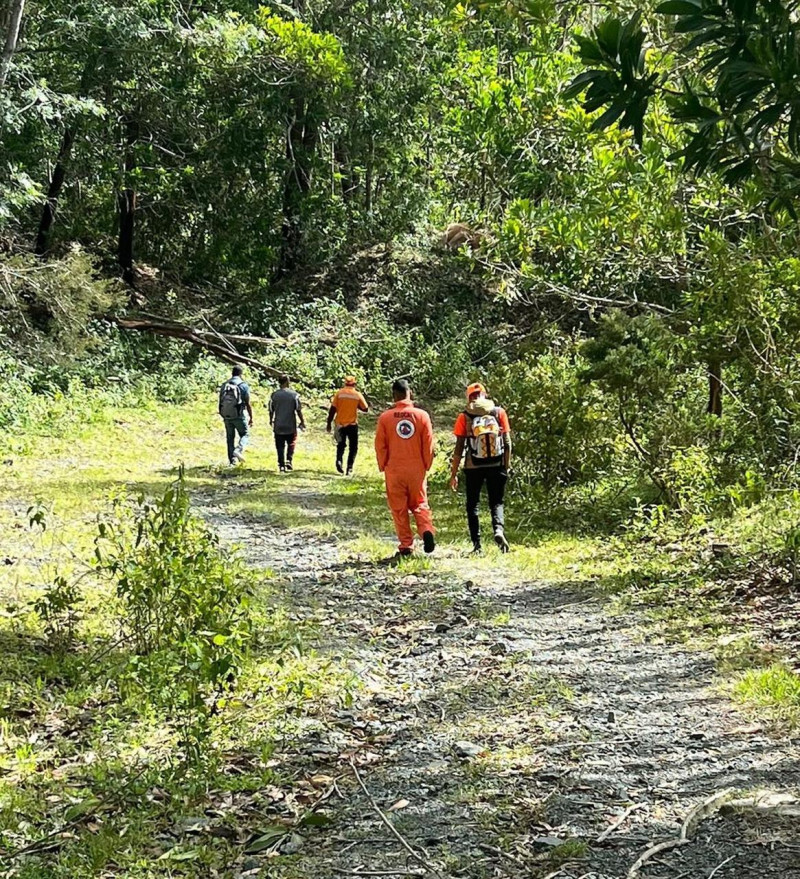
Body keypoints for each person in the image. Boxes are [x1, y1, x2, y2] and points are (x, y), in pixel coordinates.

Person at [374, 379, 436, 559]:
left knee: (399, 508)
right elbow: (428, 443)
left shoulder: (385, 418)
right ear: (410, 393)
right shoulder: (422, 415)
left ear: (394, 396)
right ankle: (426, 530)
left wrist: (382, 464)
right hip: (416, 469)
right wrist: (426, 464)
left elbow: (381, 445)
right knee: (420, 503)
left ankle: (406, 545)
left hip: (394, 469)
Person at [449, 382, 511, 554]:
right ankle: (498, 530)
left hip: (473, 466)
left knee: (472, 505)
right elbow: (507, 443)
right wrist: (506, 466)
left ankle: (477, 546)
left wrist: (453, 474)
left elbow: (459, 448)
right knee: (496, 502)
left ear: (469, 398)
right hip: (497, 463)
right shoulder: (499, 413)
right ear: (485, 394)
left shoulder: (465, 416)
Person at [327, 376, 369, 475]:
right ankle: (349, 468)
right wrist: (356, 405)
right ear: (354, 384)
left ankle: (339, 461)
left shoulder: (339, 393)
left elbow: (332, 409)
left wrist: (328, 423)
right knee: (353, 447)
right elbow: (365, 408)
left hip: (340, 424)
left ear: (345, 383)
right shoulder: (357, 395)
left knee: (341, 445)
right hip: (352, 424)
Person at [269, 374, 305, 472]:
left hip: (278, 424)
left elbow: (271, 409)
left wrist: (271, 420)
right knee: (291, 442)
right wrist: (302, 421)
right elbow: (298, 409)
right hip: (290, 424)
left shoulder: (274, 395)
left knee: (279, 445)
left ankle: (281, 464)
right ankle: (289, 460)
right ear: (287, 382)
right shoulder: (294, 395)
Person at [218, 364, 253, 466]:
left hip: (227, 415)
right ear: (241, 374)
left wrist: (223, 413)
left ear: (232, 373)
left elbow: (220, 401)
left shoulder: (225, 385)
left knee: (230, 438)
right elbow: (247, 402)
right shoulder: (243, 385)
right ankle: (239, 449)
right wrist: (251, 417)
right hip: (239, 415)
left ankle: (232, 461)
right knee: (245, 434)